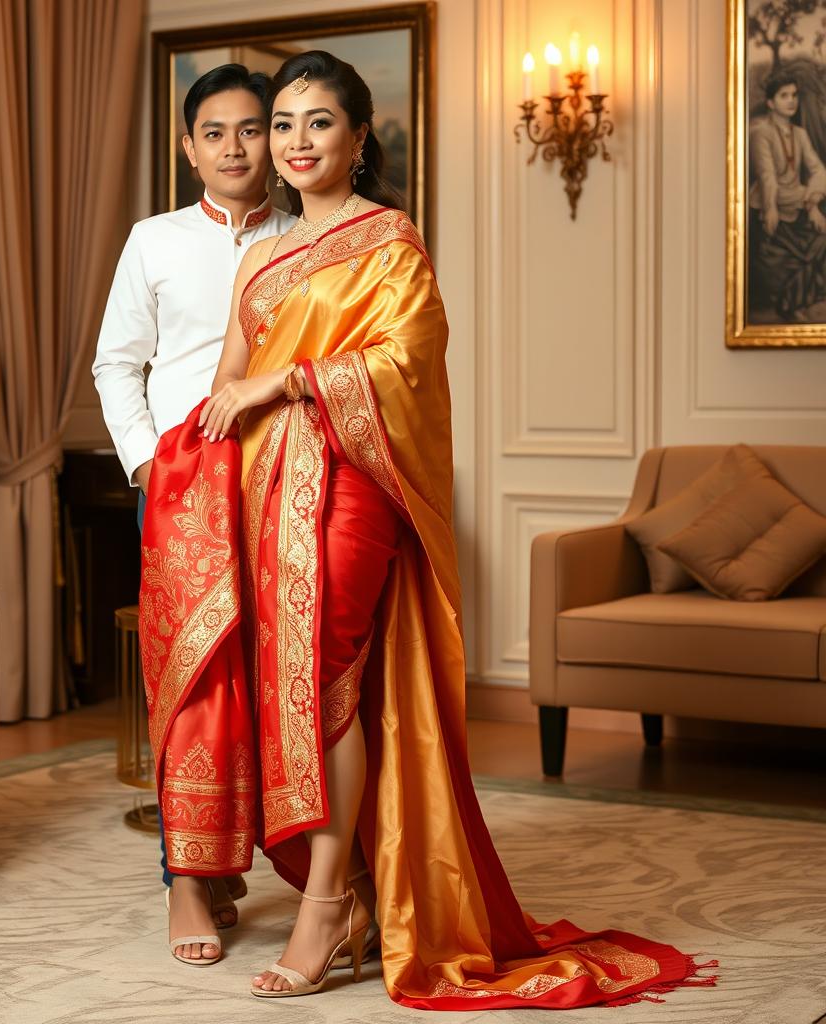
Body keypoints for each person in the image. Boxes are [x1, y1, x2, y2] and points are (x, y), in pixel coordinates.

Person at [146, 49, 717, 1008]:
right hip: (258, 494)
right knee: (279, 684)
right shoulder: (261, 256)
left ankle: (327, 905)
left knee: (327, 678)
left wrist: (287, 382)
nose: (293, 142)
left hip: (352, 486)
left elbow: (406, 366)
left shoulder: (389, 241)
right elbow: (222, 396)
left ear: (359, 138)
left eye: (317, 122)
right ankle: (351, 885)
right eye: (281, 124)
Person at [91, 63, 294, 967]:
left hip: (290, 479)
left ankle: (259, 862)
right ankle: (187, 877)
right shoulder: (155, 239)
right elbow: (115, 364)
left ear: (278, 139)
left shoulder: (310, 237)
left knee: (275, 676)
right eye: (214, 133)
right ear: (188, 148)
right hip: (180, 486)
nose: (235, 148)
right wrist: (146, 461)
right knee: (192, 679)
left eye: (252, 129)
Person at [749, 71, 826, 320]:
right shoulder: (761, 133)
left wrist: (813, 201)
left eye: (794, 95)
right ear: (771, 103)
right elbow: (767, 176)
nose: (792, 101)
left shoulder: (800, 134)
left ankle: (796, 303)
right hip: (769, 205)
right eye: (784, 96)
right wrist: (770, 208)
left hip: (798, 202)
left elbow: (818, 169)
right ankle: (791, 306)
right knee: (782, 262)